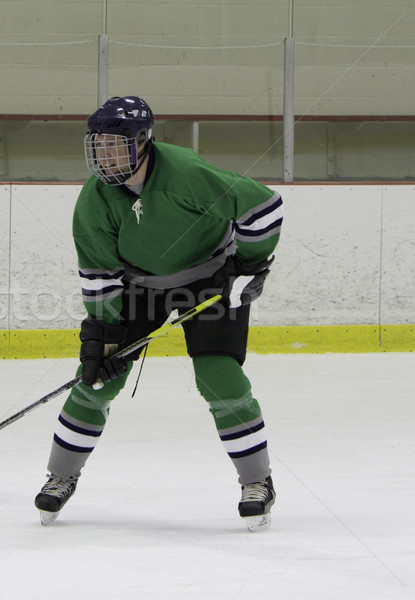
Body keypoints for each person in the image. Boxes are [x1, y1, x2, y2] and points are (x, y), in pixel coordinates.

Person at [34, 96, 283, 531]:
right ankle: (60, 475)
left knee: (218, 377)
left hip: (207, 280)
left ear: (144, 141)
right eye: (98, 146)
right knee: (95, 378)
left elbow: (263, 208)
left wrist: (249, 263)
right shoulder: (95, 199)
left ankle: (257, 481)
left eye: (115, 146)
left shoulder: (186, 173)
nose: (104, 157)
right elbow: (99, 274)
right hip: (139, 287)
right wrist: (104, 336)